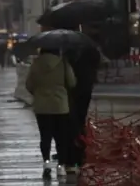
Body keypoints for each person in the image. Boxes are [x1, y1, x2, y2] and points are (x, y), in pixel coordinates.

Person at [26, 48, 76, 176]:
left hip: (42, 107)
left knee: (45, 136)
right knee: (61, 137)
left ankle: (46, 163)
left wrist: (39, 93)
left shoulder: (36, 64)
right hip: (60, 106)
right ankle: (61, 166)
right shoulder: (63, 63)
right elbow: (71, 82)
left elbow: (29, 85)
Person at [65, 43, 101, 169]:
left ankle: (73, 153)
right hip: (86, 87)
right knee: (80, 121)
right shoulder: (91, 50)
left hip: (74, 91)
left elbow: (70, 79)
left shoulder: (70, 53)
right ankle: (81, 151)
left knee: (72, 122)